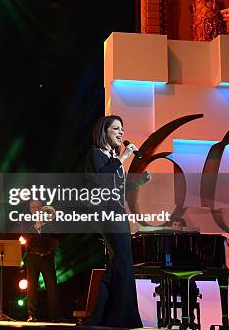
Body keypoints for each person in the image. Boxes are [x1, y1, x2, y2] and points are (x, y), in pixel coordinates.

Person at [84, 115, 148, 328]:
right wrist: (123, 158)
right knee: (121, 259)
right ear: (104, 132)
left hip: (118, 214)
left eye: (122, 129)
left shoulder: (114, 158)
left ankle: (103, 315)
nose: (121, 133)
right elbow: (102, 180)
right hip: (105, 214)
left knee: (121, 263)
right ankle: (118, 316)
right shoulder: (97, 154)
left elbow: (117, 189)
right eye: (116, 129)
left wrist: (138, 181)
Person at [23, 199, 61, 322]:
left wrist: (46, 223)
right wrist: (37, 226)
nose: (37, 209)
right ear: (30, 209)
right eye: (34, 207)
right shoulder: (26, 221)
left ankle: (54, 316)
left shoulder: (49, 220)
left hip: (47, 256)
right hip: (32, 256)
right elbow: (24, 234)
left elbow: (57, 233)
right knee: (32, 287)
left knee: (51, 287)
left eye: (39, 207)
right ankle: (32, 314)